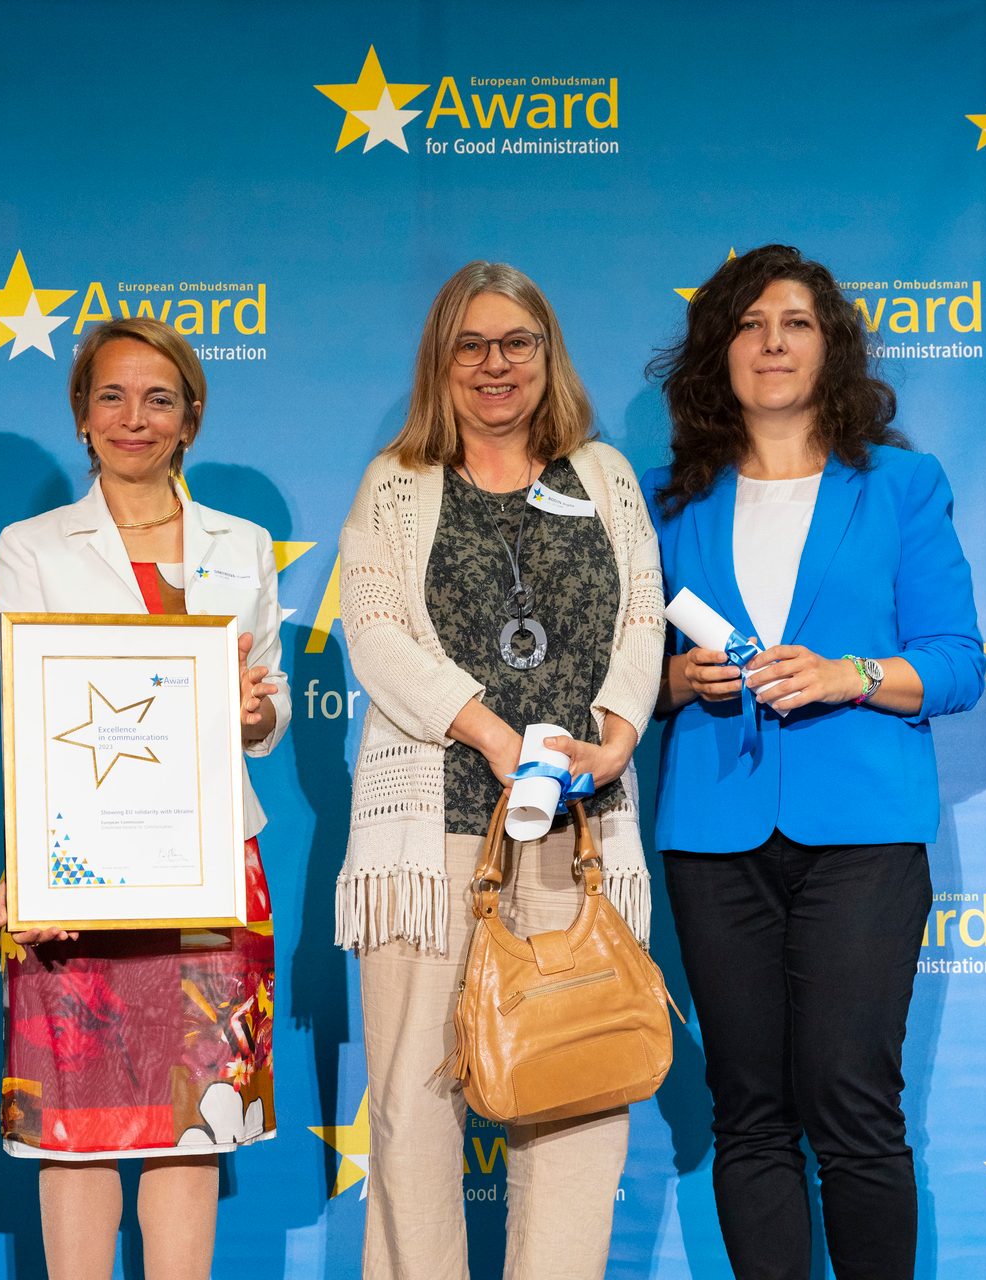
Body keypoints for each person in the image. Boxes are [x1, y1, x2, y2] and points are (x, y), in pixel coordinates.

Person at [642, 244, 983, 1280]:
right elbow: (627, 679)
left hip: (864, 835)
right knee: (747, 1110)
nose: (773, 340)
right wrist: (674, 685)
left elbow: (957, 666)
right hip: (713, 833)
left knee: (852, 1102)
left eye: (795, 320)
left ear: (830, 345)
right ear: (719, 353)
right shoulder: (665, 499)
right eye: (749, 323)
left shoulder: (904, 484)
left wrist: (851, 674)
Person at [334, 261, 664, 1278]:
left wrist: (614, 735)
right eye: (471, 344)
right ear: (442, 360)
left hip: (579, 840)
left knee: (573, 1101)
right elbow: (377, 633)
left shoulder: (602, 473)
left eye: (516, 341)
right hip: (427, 845)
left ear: (546, 354)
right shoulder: (396, 482)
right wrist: (490, 732)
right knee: (414, 1106)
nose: (495, 364)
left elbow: (641, 616)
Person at [0, 315, 289, 1280]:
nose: (135, 417)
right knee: (70, 1122)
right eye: (111, 396)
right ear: (81, 414)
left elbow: (268, 716)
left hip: (205, 865)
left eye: (159, 398)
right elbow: (27, 715)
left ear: (190, 418)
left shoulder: (242, 546)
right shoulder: (30, 547)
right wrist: (28, 875)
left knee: (189, 1123)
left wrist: (248, 715)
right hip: (75, 868)